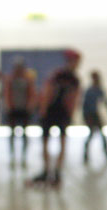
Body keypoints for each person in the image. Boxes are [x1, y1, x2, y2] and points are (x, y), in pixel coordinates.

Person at [30, 49, 81, 187]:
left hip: (63, 114)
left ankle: (57, 172)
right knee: (45, 142)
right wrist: (43, 110)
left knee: (62, 142)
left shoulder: (74, 79)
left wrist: (70, 114)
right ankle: (46, 171)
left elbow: (74, 98)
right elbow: (47, 92)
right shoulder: (57, 75)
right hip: (51, 112)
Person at [4, 57, 36, 167]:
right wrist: (8, 105)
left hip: (24, 109)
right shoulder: (10, 79)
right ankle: (12, 157)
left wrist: (30, 105)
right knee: (12, 134)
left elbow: (31, 93)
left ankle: (24, 157)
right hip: (13, 109)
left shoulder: (27, 80)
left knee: (24, 134)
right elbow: (7, 93)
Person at [83, 70, 107, 164]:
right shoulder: (90, 90)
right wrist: (87, 117)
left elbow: (105, 102)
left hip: (95, 114)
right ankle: (86, 155)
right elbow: (84, 105)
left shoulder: (99, 89)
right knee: (92, 134)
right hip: (90, 115)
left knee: (101, 135)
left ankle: (106, 154)